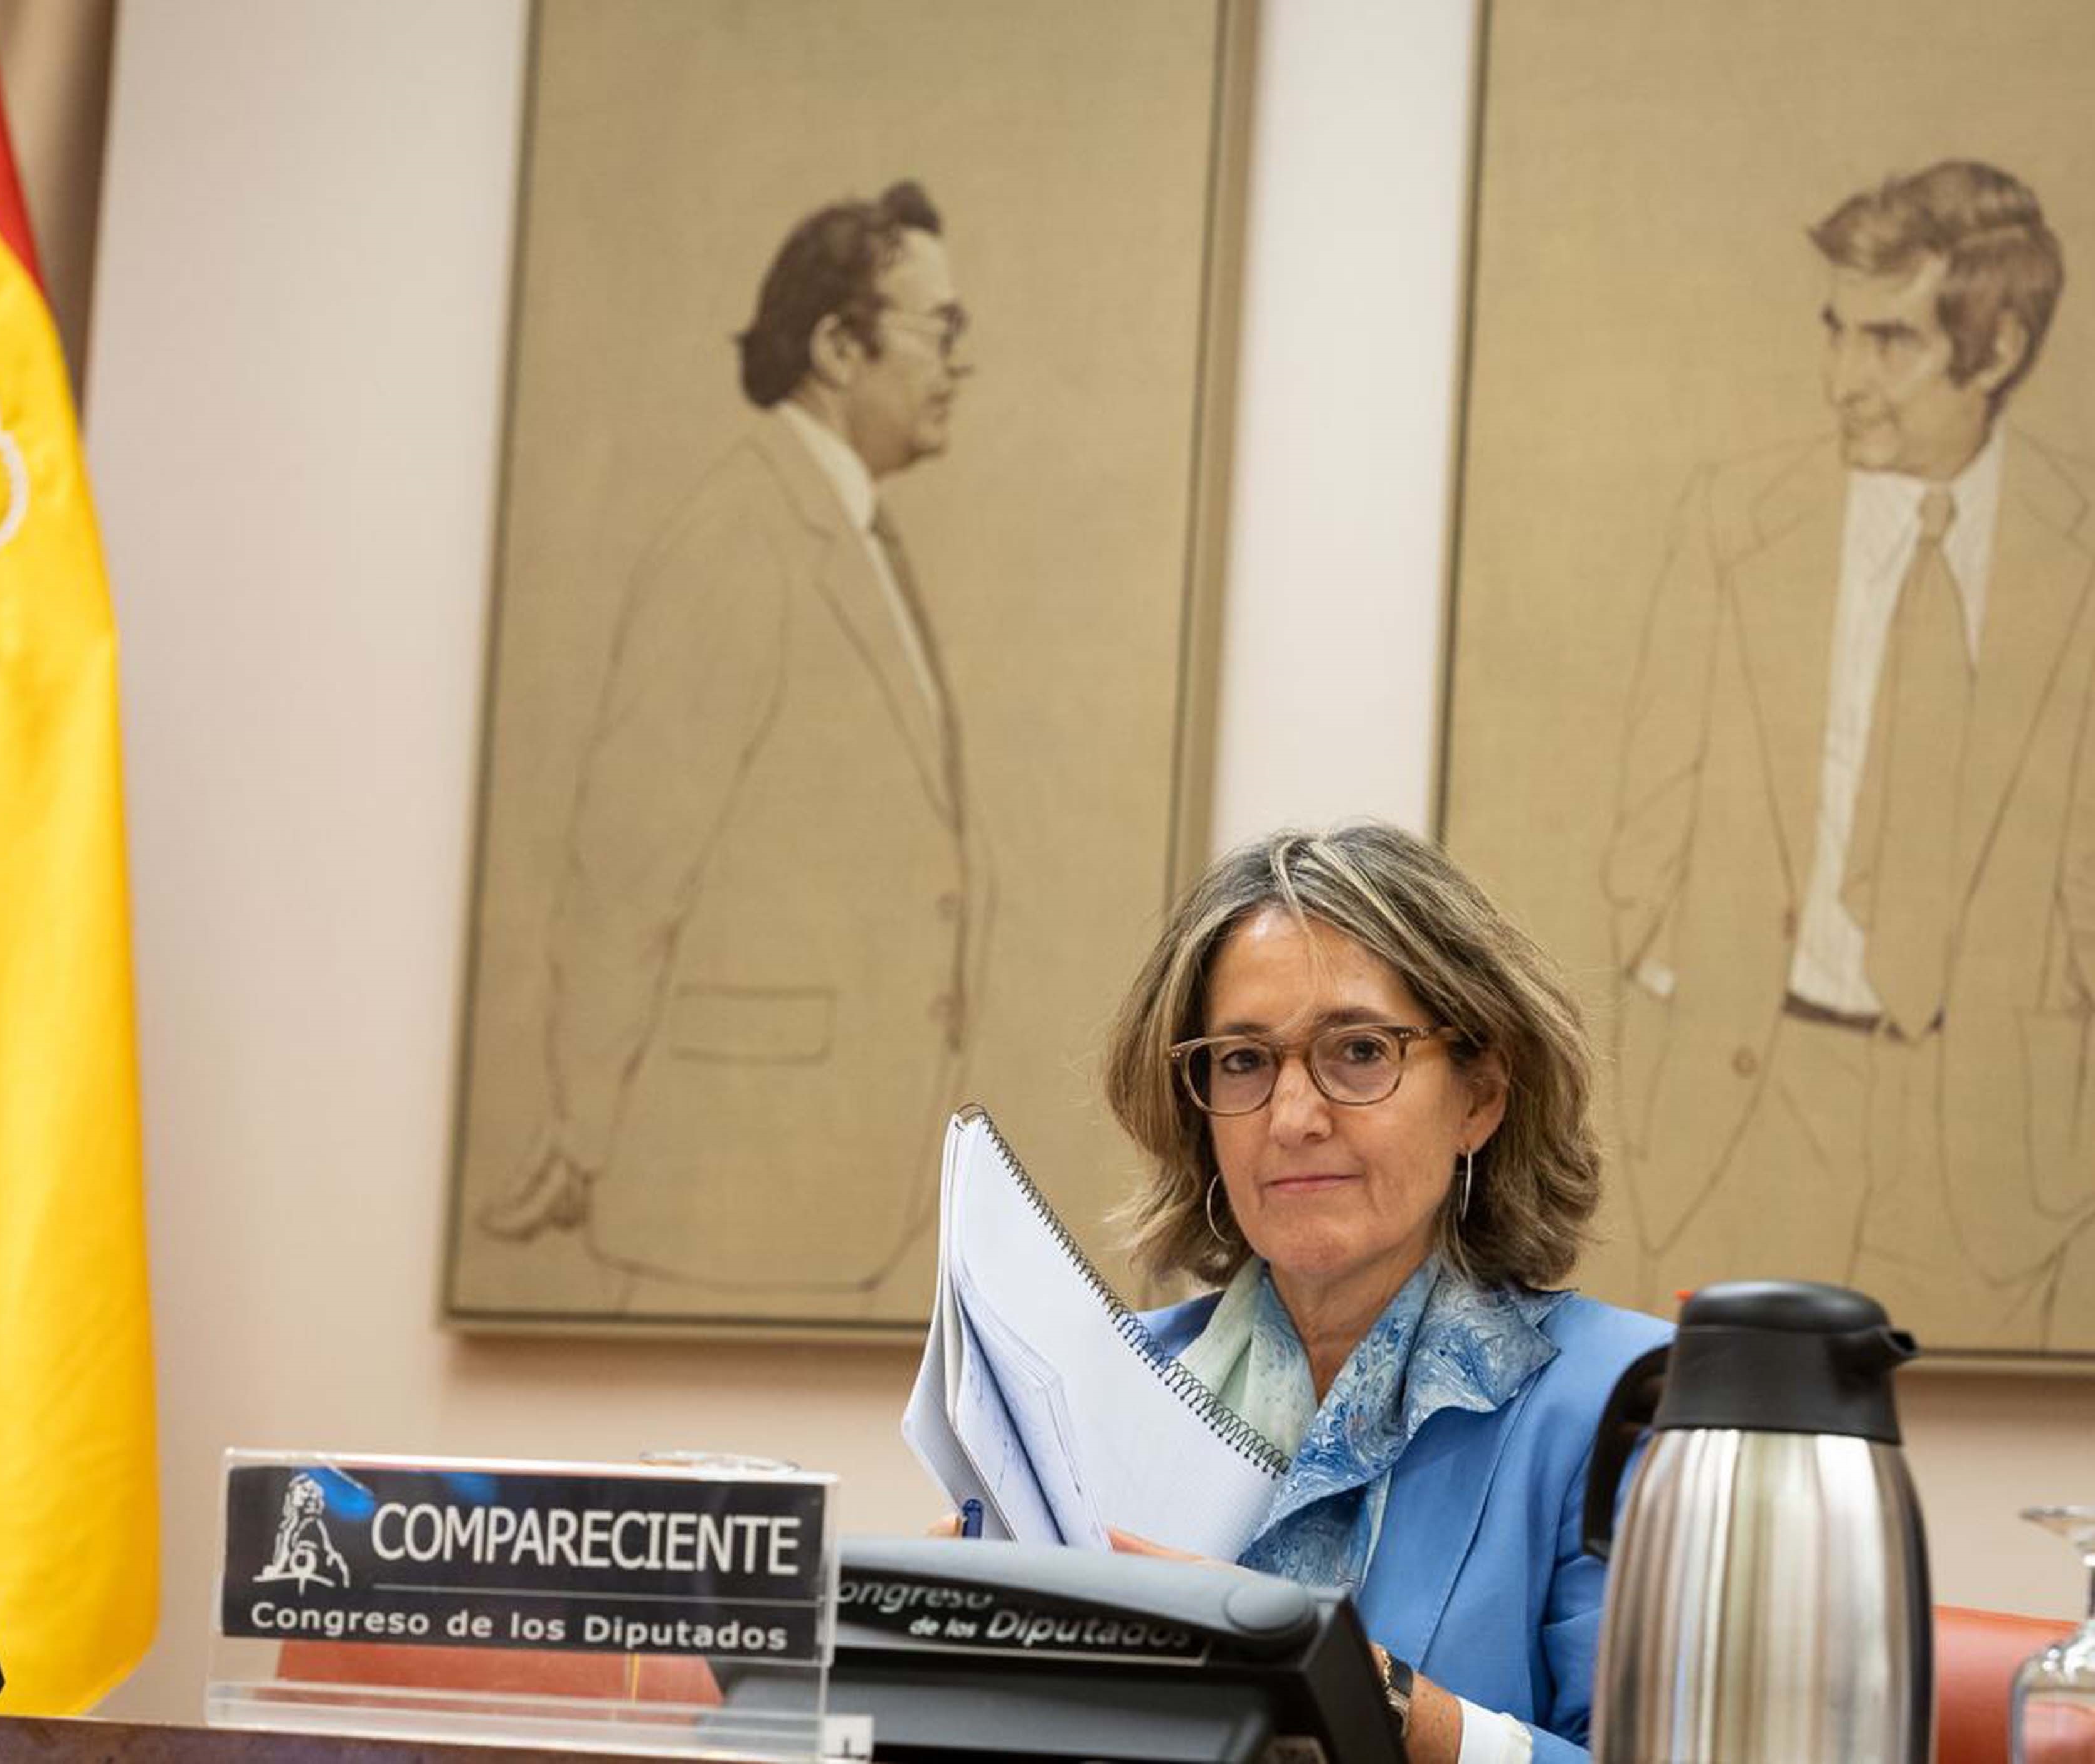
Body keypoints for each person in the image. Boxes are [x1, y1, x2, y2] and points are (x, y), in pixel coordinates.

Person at [475, 180, 989, 1318]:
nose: (960, 364)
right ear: (839, 347)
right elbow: (626, 862)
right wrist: (585, 1121)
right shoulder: (739, 539)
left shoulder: (840, 526)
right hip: (725, 1192)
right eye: (939, 331)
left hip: (828, 1183)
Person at [1604, 159, 2095, 1346]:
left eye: (1888, 343)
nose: (1840, 381)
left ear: (1994, 351)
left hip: (1993, 1140)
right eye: (1836, 332)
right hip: (1747, 1103)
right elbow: (1646, 833)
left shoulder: (2079, 547)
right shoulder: (1735, 520)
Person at [1104, 823, 1669, 1763]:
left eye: (1358, 1051)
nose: (1291, 1117)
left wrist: (1374, 1699)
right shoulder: (1106, 1378)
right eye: (1243, 1060)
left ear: (1479, 1096)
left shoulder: (1630, 1401)